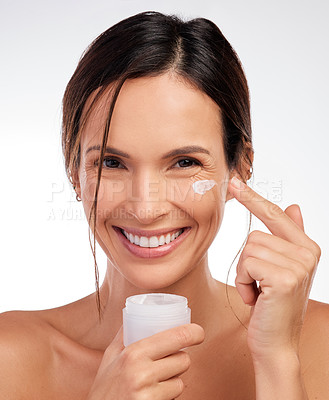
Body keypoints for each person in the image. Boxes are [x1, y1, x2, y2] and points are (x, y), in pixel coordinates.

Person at [0, 10, 327, 399]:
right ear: (75, 173)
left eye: (184, 163)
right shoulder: (12, 357)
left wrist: (278, 361)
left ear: (239, 167)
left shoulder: (319, 345)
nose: (146, 209)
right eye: (111, 162)